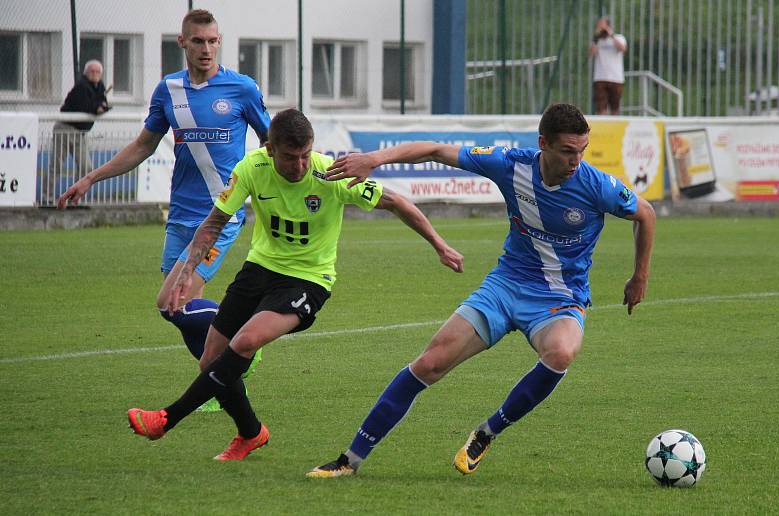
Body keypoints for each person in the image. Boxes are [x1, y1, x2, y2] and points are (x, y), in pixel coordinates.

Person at [307, 103, 655, 478]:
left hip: (559, 298)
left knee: (562, 352)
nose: (576, 161)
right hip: (506, 286)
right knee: (429, 363)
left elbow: (645, 214)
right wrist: (374, 158)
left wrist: (639, 277)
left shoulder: (597, 185)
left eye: (582, 151)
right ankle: (350, 460)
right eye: (568, 151)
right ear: (544, 144)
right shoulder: (510, 164)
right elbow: (434, 149)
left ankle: (488, 432)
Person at [125, 108, 464, 461]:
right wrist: (185, 272)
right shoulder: (251, 169)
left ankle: (166, 418)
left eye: (305, 155)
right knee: (210, 361)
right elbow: (214, 223)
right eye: (290, 157)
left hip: (308, 279)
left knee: (246, 341)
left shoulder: (329, 173)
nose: (300, 166)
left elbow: (395, 202)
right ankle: (251, 433)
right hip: (259, 269)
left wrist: (438, 244)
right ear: (270, 148)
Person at [58, 10, 271, 411]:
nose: (206, 49)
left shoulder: (241, 89)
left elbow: (270, 143)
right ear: (182, 43)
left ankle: (238, 347)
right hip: (180, 215)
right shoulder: (168, 90)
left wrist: (266, 193)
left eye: (212, 41)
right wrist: (91, 178)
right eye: (198, 42)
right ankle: (217, 374)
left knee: (175, 299)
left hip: (220, 215)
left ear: (219, 41)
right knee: (180, 308)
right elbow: (142, 146)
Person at [45, 59, 110, 205]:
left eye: (97, 72)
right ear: (86, 73)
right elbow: (85, 105)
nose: (95, 74)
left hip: (80, 131)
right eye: (92, 71)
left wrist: (102, 107)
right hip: (65, 128)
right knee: (56, 165)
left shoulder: (100, 86)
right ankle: (47, 197)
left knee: (86, 166)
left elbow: (101, 102)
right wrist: (97, 108)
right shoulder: (81, 86)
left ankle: (75, 198)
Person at [588, 16, 627, 115]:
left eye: (603, 26)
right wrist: (596, 38)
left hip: (616, 78)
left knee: (615, 106)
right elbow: (591, 53)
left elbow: (622, 49)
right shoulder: (597, 41)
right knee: (601, 106)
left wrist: (611, 34)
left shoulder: (619, 37)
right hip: (601, 77)